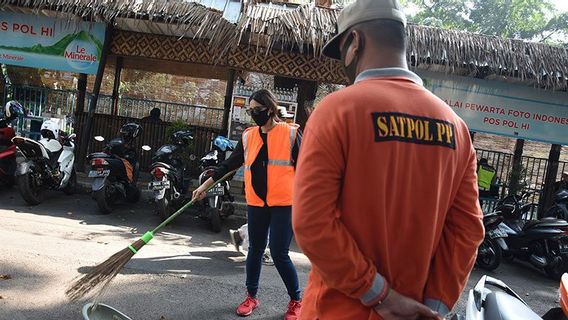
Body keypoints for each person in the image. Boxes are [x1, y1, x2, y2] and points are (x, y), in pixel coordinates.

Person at [292, 0, 485, 319]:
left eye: (341, 51)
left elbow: (311, 222)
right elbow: (467, 229)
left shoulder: (337, 110)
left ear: (354, 42)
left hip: (337, 311)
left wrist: (381, 295)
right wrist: (433, 306)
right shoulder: (456, 127)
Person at [193, 89, 302, 319]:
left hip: (284, 204)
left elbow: (308, 169)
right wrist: (204, 187)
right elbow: (228, 165)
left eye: (257, 110)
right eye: (250, 110)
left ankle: (296, 301)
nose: (253, 114)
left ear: (270, 110)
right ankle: (251, 296)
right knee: (254, 250)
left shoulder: (291, 134)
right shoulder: (248, 136)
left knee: (279, 253)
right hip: (257, 203)